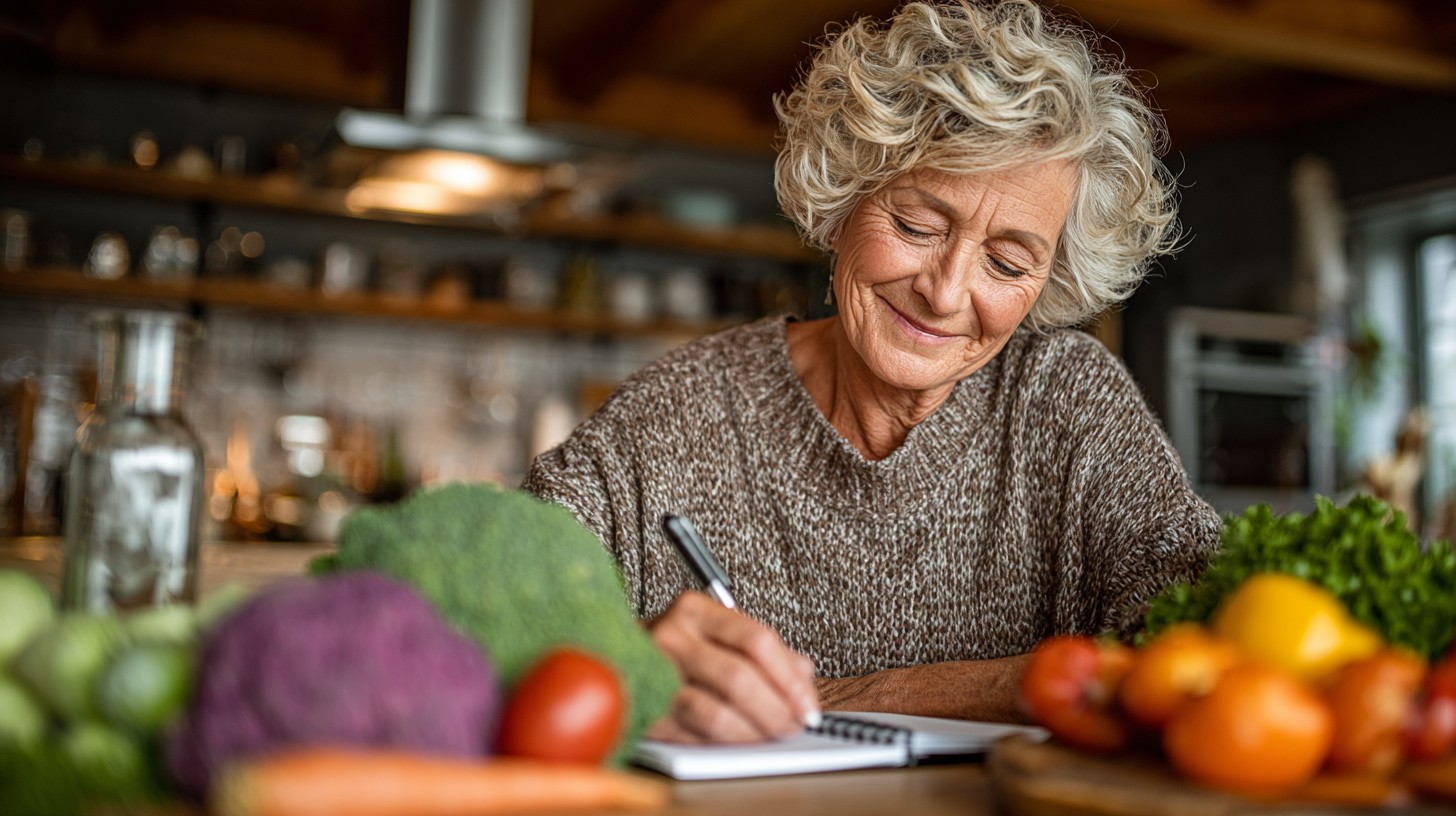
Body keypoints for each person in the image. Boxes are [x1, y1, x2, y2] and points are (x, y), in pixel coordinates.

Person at [525, 0, 1219, 745]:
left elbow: (1201, 639)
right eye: (917, 226)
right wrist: (628, 666)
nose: (946, 292)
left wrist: (854, 694)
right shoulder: (675, 414)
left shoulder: (1069, 402)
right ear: (845, 199)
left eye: (1008, 263)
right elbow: (488, 602)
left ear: (1050, 281)